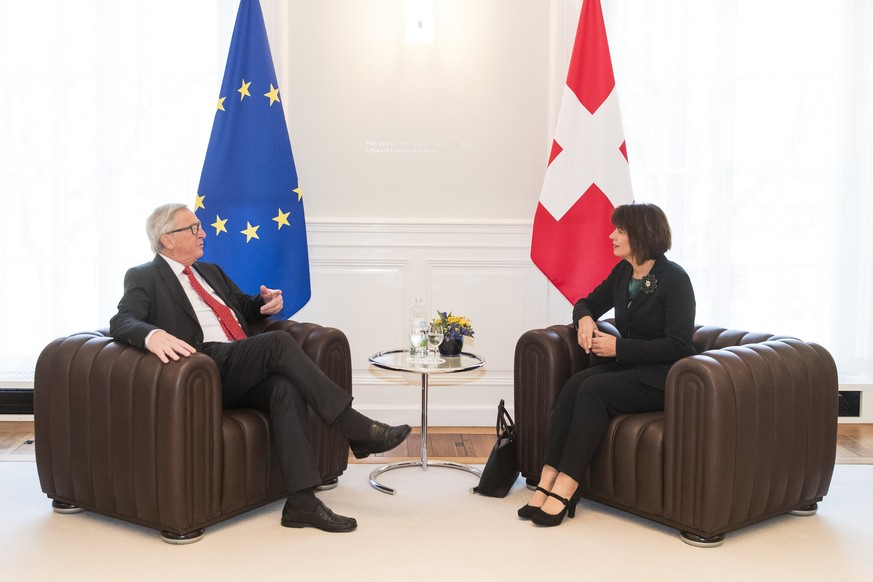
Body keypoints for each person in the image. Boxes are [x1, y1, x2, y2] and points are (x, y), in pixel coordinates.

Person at [110, 203, 411, 533]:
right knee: (278, 344)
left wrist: (263, 303)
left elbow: (240, 307)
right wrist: (152, 335)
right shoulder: (144, 276)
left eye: (200, 227)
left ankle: (301, 503)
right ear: (167, 239)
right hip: (202, 369)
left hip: (235, 363)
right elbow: (122, 320)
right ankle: (356, 428)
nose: (203, 233)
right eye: (194, 228)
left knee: (284, 387)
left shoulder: (209, 271)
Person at [518, 203, 696, 527]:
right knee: (574, 386)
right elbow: (587, 301)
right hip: (629, 367)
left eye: (620, 230)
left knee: (594, 390)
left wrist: (620, 347)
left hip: (662, 376)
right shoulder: (623, 273)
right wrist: (585, 319)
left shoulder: (675, 280)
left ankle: (568, 487)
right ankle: (546, 479)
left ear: (641, 235)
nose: (611, 235)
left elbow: (679, 345)